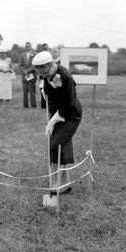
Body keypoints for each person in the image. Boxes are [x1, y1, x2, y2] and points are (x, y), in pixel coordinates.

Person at [33, 50, 83, 195]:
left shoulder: (65, 76)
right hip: (56, 113)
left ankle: (55, 185)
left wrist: (52, 123)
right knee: (59, 146)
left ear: (49, 64)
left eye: (41, 68)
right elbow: (51, 98)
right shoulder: (46, 76)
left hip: (71, 114)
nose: (40, 72)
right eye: (38, 69)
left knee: (56, 145)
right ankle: (66, 185)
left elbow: (68, 103)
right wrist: (45, 93)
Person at [19, 42, 37, 108]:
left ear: (31, 47)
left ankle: (33, 105)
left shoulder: (35, 54)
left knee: (32, 91)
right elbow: (20, 65)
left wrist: (28, 70)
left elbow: (35, 65)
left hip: (32, 75)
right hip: (24, 75)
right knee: (25, 91)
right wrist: (24, 71)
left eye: (29, 46)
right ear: (25, 47)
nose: (27, 47)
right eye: (26, 46)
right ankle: (25, 105)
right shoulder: (22, 55)